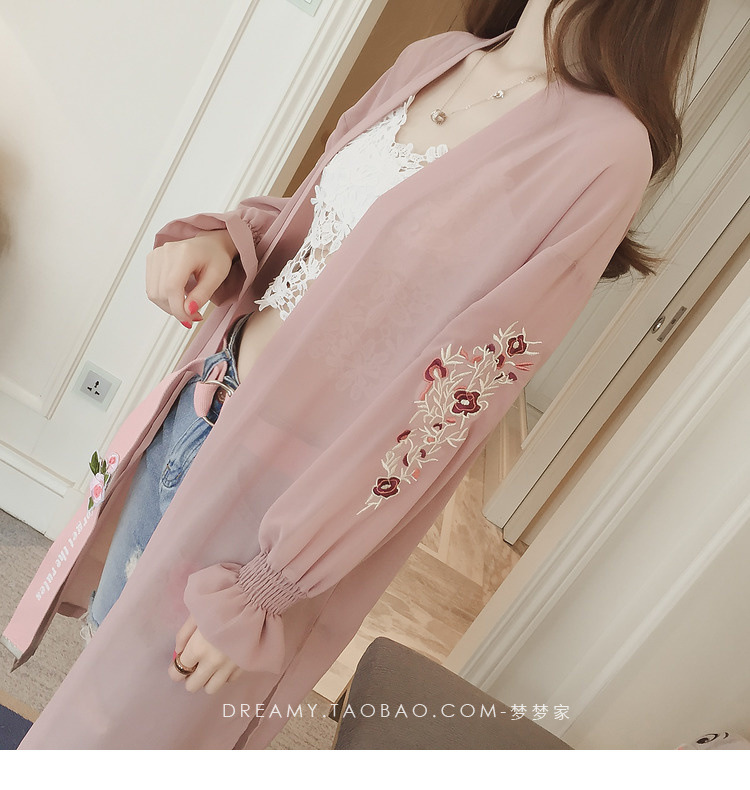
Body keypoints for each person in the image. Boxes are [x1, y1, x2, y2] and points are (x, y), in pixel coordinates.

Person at [8, 0, 709, 749]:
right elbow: (327, 230)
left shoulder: (605, 152)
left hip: (279, 497)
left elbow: (453, 399)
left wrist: (275, 579)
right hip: (202, 403)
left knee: (140, 734)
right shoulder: (436, 58)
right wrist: (229, 238)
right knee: (98, 675)